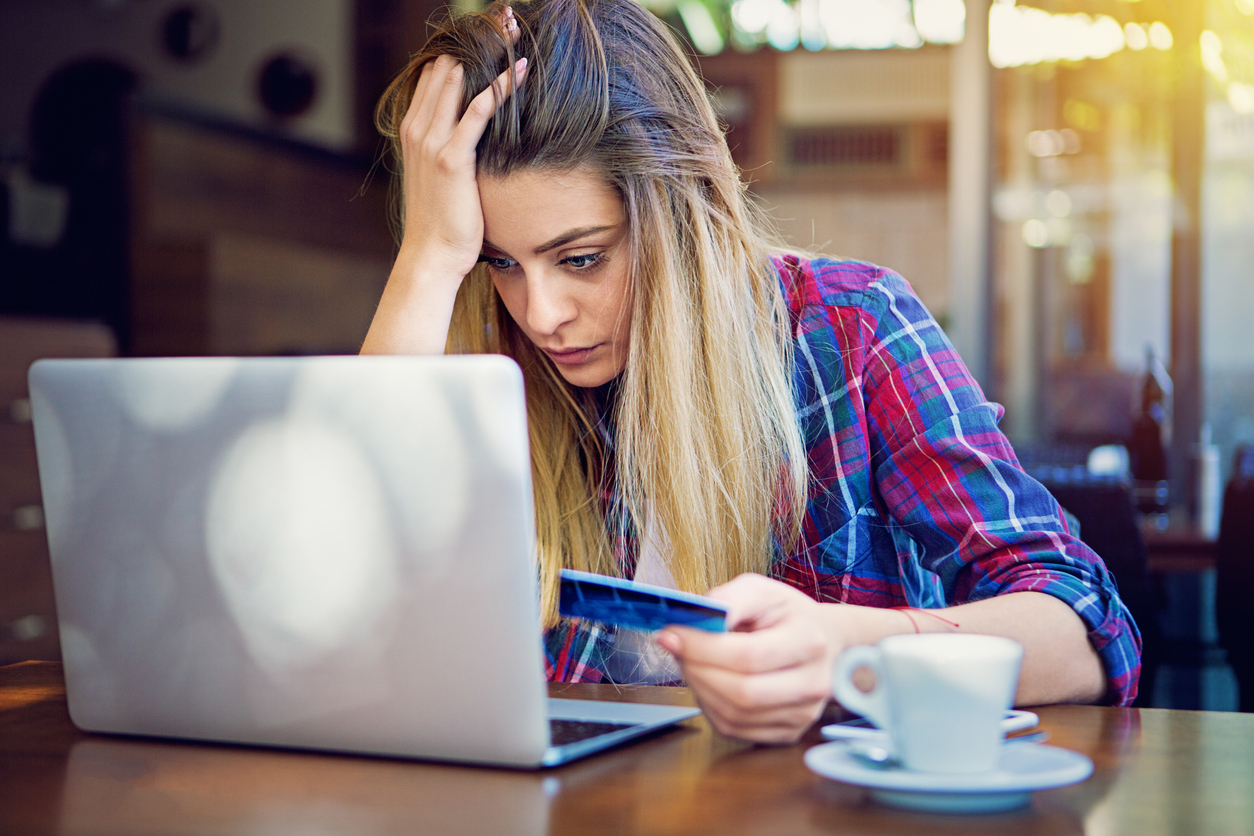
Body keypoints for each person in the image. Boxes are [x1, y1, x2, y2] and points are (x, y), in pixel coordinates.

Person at [361, 0, 1141, 743]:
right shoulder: (492, 365)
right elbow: (340, 611)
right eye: (500, 263)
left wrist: (852, 650)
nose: (542, 313)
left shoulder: (852, 326)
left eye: (583, 258)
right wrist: (427, 261)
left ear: (684, 210)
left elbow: (1086, 629)